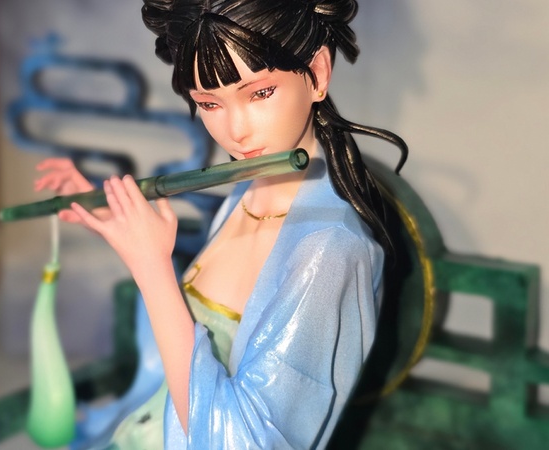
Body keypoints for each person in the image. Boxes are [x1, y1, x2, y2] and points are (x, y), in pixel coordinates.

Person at [34, 0, 408, 448]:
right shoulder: (247, 190)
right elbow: (182, 335)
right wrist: (117, 222)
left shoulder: (328, 251)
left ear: (318, 73)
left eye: (260, 93)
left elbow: (242, 440)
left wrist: (152, 269)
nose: (236, 130)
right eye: (209, 103)